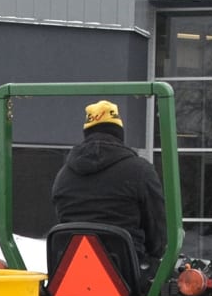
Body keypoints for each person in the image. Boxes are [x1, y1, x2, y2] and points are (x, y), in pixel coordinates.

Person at [51, 100, 166, 262]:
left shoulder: (63, 175)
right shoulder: (140, 171)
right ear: (119, 134)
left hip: (71, 271)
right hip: (125, 274)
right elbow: (157, 233)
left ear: (87, 134)